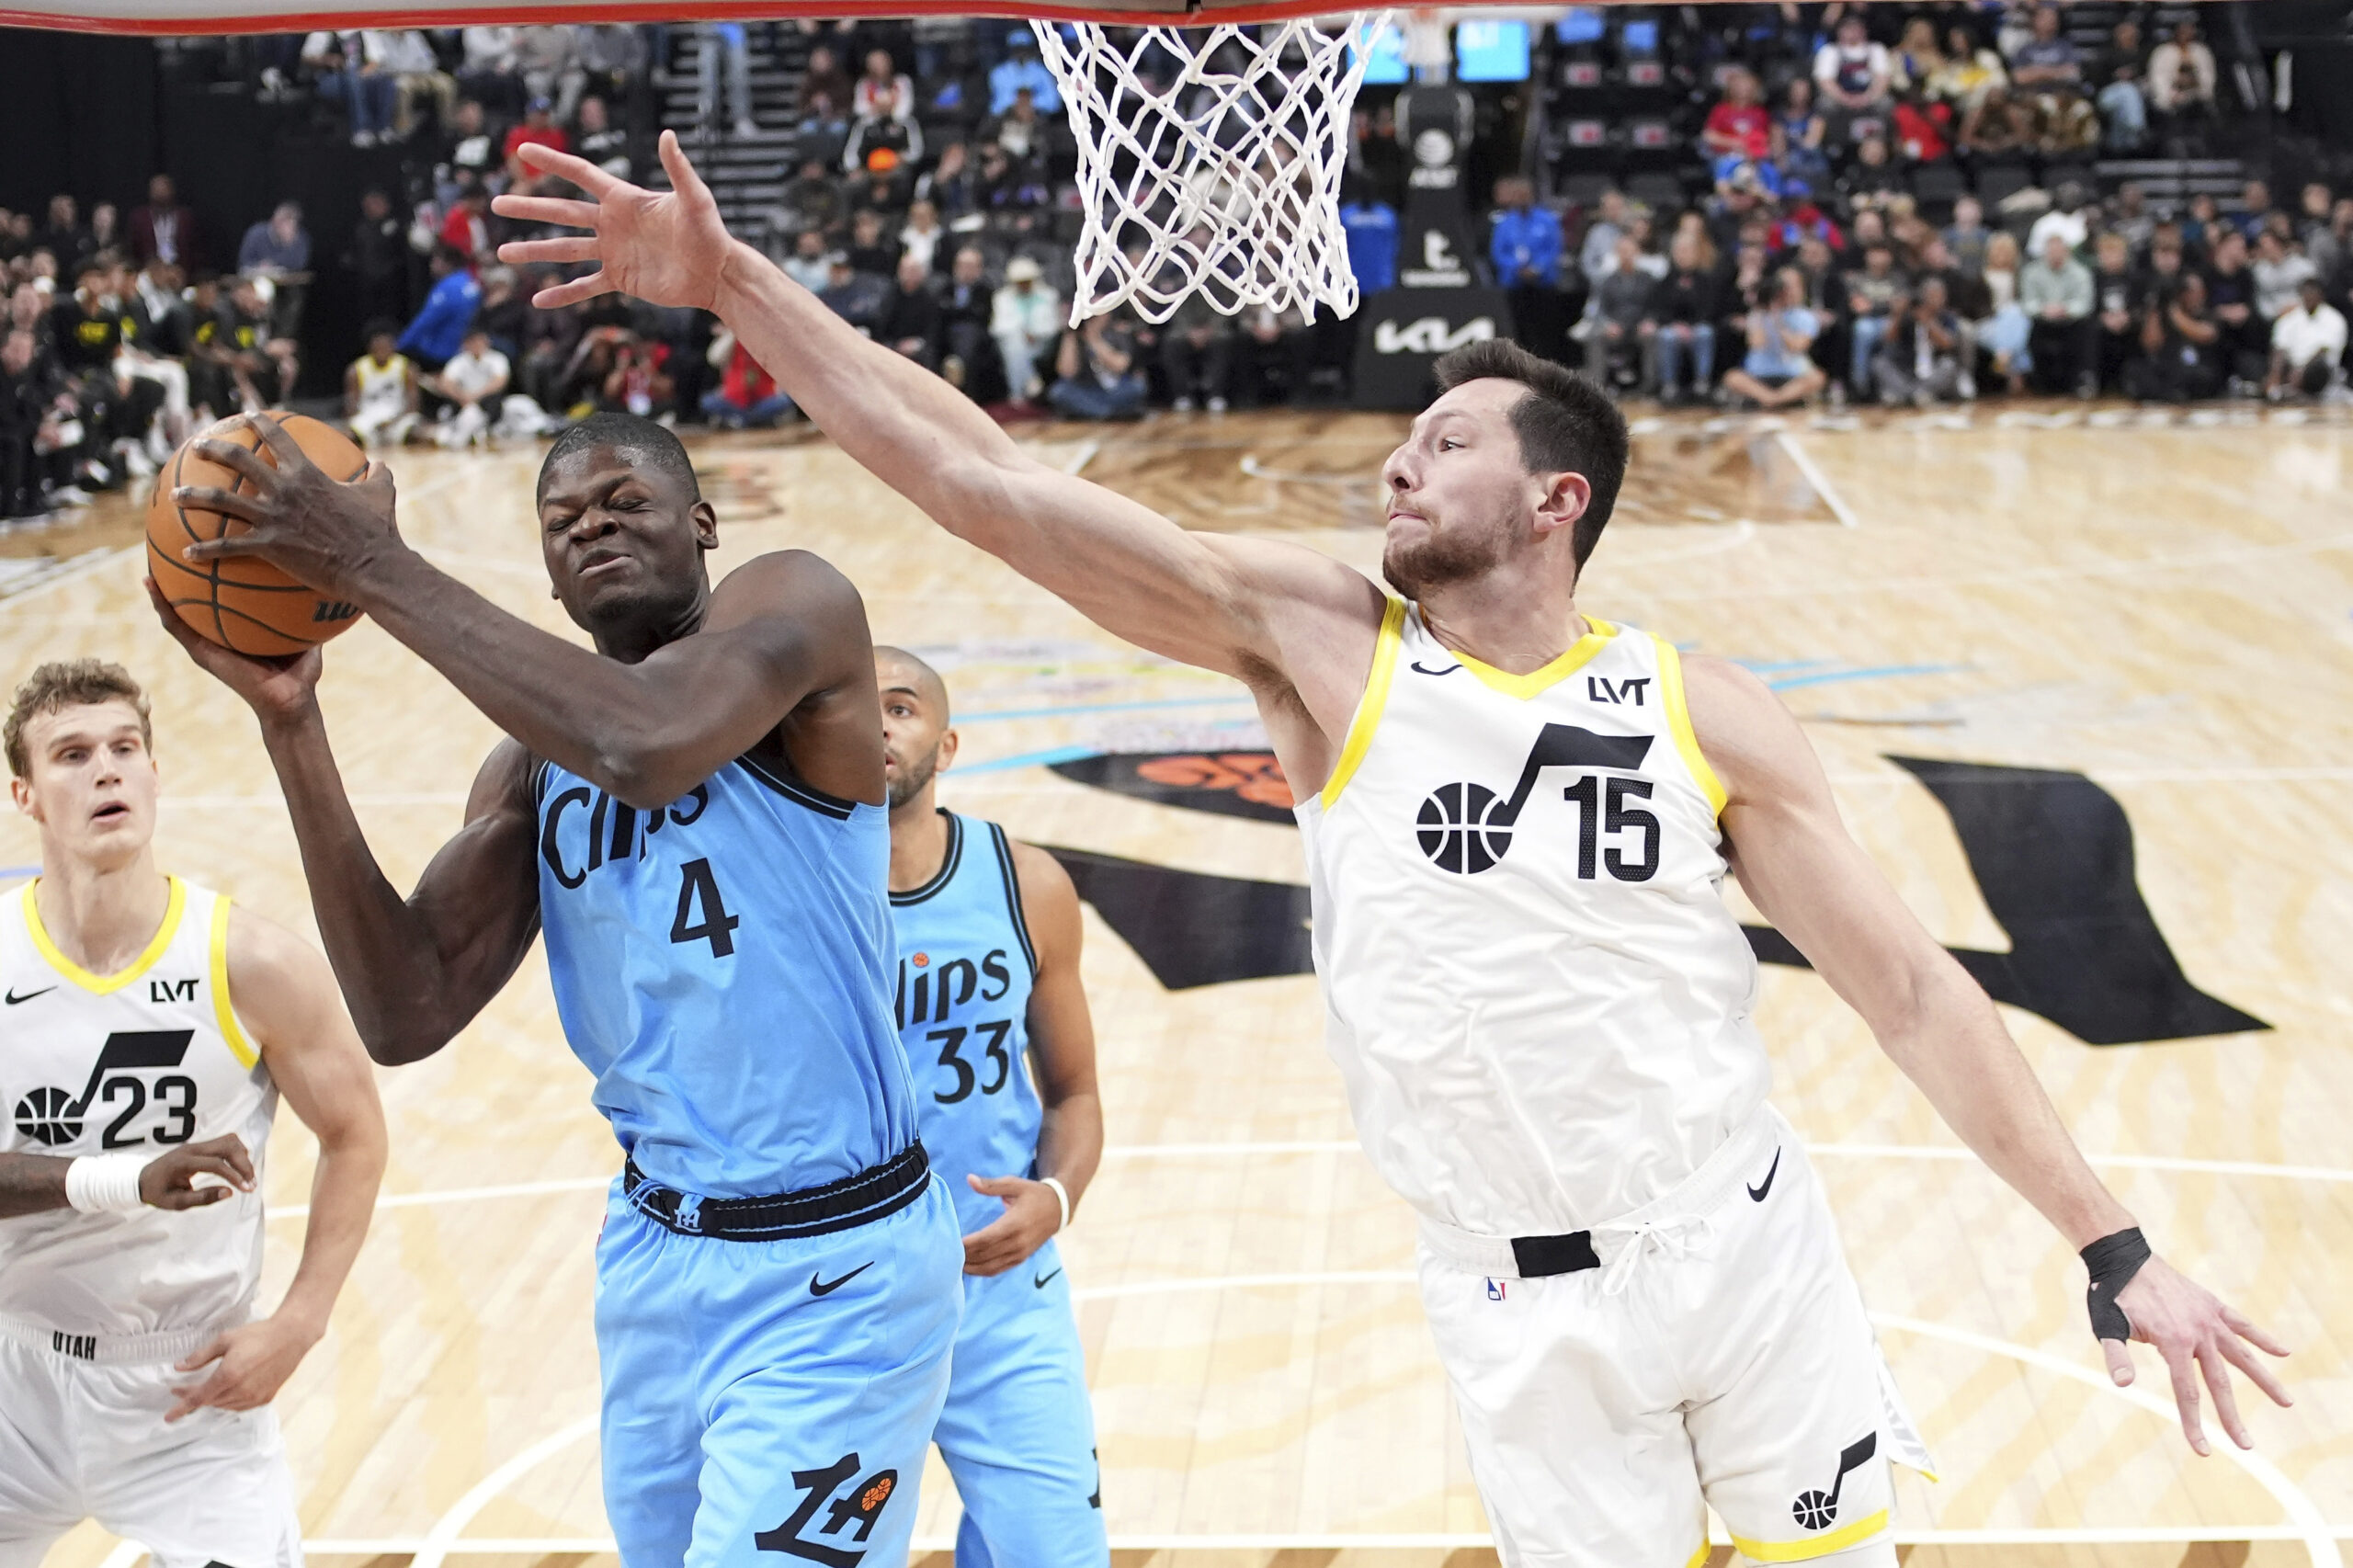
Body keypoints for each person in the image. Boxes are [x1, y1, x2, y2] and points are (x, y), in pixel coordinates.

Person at [495, 130, 2295, 1568]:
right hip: (1521, 1294)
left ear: (1554, 495)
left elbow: (1906, 988)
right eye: (1399, 442)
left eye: (1442, 445)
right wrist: (736, 286)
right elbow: (979, 476)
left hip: (1749, 1250)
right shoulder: (1325, 650)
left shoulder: (1702, 710)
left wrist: (2110, 1241)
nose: (1395, 469)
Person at [154, 403, 964, 1565]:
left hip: (837, 1262)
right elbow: (404, 1008)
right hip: (655, 1260)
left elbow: (647, 740)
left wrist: (374, 564)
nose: (592, 527)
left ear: (703, 521)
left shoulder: (800, 608)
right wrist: (293, 722)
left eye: (624, 502)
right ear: (543, 574)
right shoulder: (532, 769)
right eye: (561, 521)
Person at [0, 657, 385, 1568]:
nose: (106, 769)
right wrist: (127, 1178)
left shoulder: (251, 960)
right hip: (16, 1372)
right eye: (73, 753)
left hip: (190, 1386)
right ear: (25, 793)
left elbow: (355, 1131)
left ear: (154, 773)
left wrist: (300, 1319)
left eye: (125, 747)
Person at [873, 647, 1108, 1568]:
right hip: (840, 1296)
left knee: (1055, 1555)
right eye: (847, 706)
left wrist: (1055, 1197)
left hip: (1002, 1289)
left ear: (946, 740)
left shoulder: (1025, 883)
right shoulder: (780, 896)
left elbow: (1077, 1090)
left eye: (898, 706)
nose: (875, 725)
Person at [1722, 265, 1829, 408]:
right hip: (1759, 374)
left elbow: (1797, 347)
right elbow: (1756, 343)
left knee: (1817, 377)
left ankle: (1774, 399)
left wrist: (1778, 321)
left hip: (1793, 374)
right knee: (1732, 377)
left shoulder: (1806, 317)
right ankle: (1770, 398)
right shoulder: (1757, 315)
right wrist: (1761, 309)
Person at [2020, 233, 2095, 396]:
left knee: (2086, 328)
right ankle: (2039, 384)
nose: (2055, 255)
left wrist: (2064, 309)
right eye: (2051, 251)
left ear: (2066, 251)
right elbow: (2027, 304)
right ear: (2045, 252)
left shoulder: (2080, 272)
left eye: (2058, 251)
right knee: (2029, 329)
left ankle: (2080, 381)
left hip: (2071, 323)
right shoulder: (2031, 272)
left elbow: (2084, 304)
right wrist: (2044, 309)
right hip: (2043, 322)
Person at [399, 244, 481, 373]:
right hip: (463, 349)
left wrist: (401, 344)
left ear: (447, 263)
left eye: (435, 261)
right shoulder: (470, 282)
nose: (431, 265)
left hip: (439, 353)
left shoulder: (447, 288)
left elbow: (426, 321)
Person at [427, 324, 511, 446]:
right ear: (465, 344)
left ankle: (486, 429)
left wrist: (476, 396)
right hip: (463, 402)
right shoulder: (458, 361)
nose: (476, 344)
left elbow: (500, 381)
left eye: (479, 340)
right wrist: (462, 396)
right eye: (472, 341)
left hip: (487, 402)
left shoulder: (497, 359)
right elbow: (446, 382)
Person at [991, 256, 1060, 405]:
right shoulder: (1002, 298)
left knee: (1014, 350)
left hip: (1042, 343)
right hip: (1014, 342)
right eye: (1020, 282)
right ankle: (1030, 380)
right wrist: (1022, 333)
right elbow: (998, 327)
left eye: (1027, 280)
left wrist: (1035, 333)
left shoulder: (1048, 296)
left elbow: (1053, 326)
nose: (1024, 285)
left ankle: (1017, 394)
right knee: (1014, 346)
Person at [2267, 276, 2346, 401]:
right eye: (2305, 292)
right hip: (2292, 368)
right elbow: (2280, 347)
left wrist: (2302, 371)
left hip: (2318, 371)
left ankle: (2298, 391)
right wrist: (2275, 375)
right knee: (2272, 366)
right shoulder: (2290, 318)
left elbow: (2324, 351)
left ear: (2321, 295)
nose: (2308, 296)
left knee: (2318, 368)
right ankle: (2278, 391)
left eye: (2312, 292)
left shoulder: (2334, 319)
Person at [346, 318, 419, 447]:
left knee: (417, 432)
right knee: (348, 436)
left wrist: (395, 421)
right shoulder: (356, 370)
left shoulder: (406, 367)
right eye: (378, 346)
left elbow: (413, 403)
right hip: (368, 419)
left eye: (386, 345)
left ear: (393, 346)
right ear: (370, 347)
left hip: (397, 417)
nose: (382, 350)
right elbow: (351, 404)